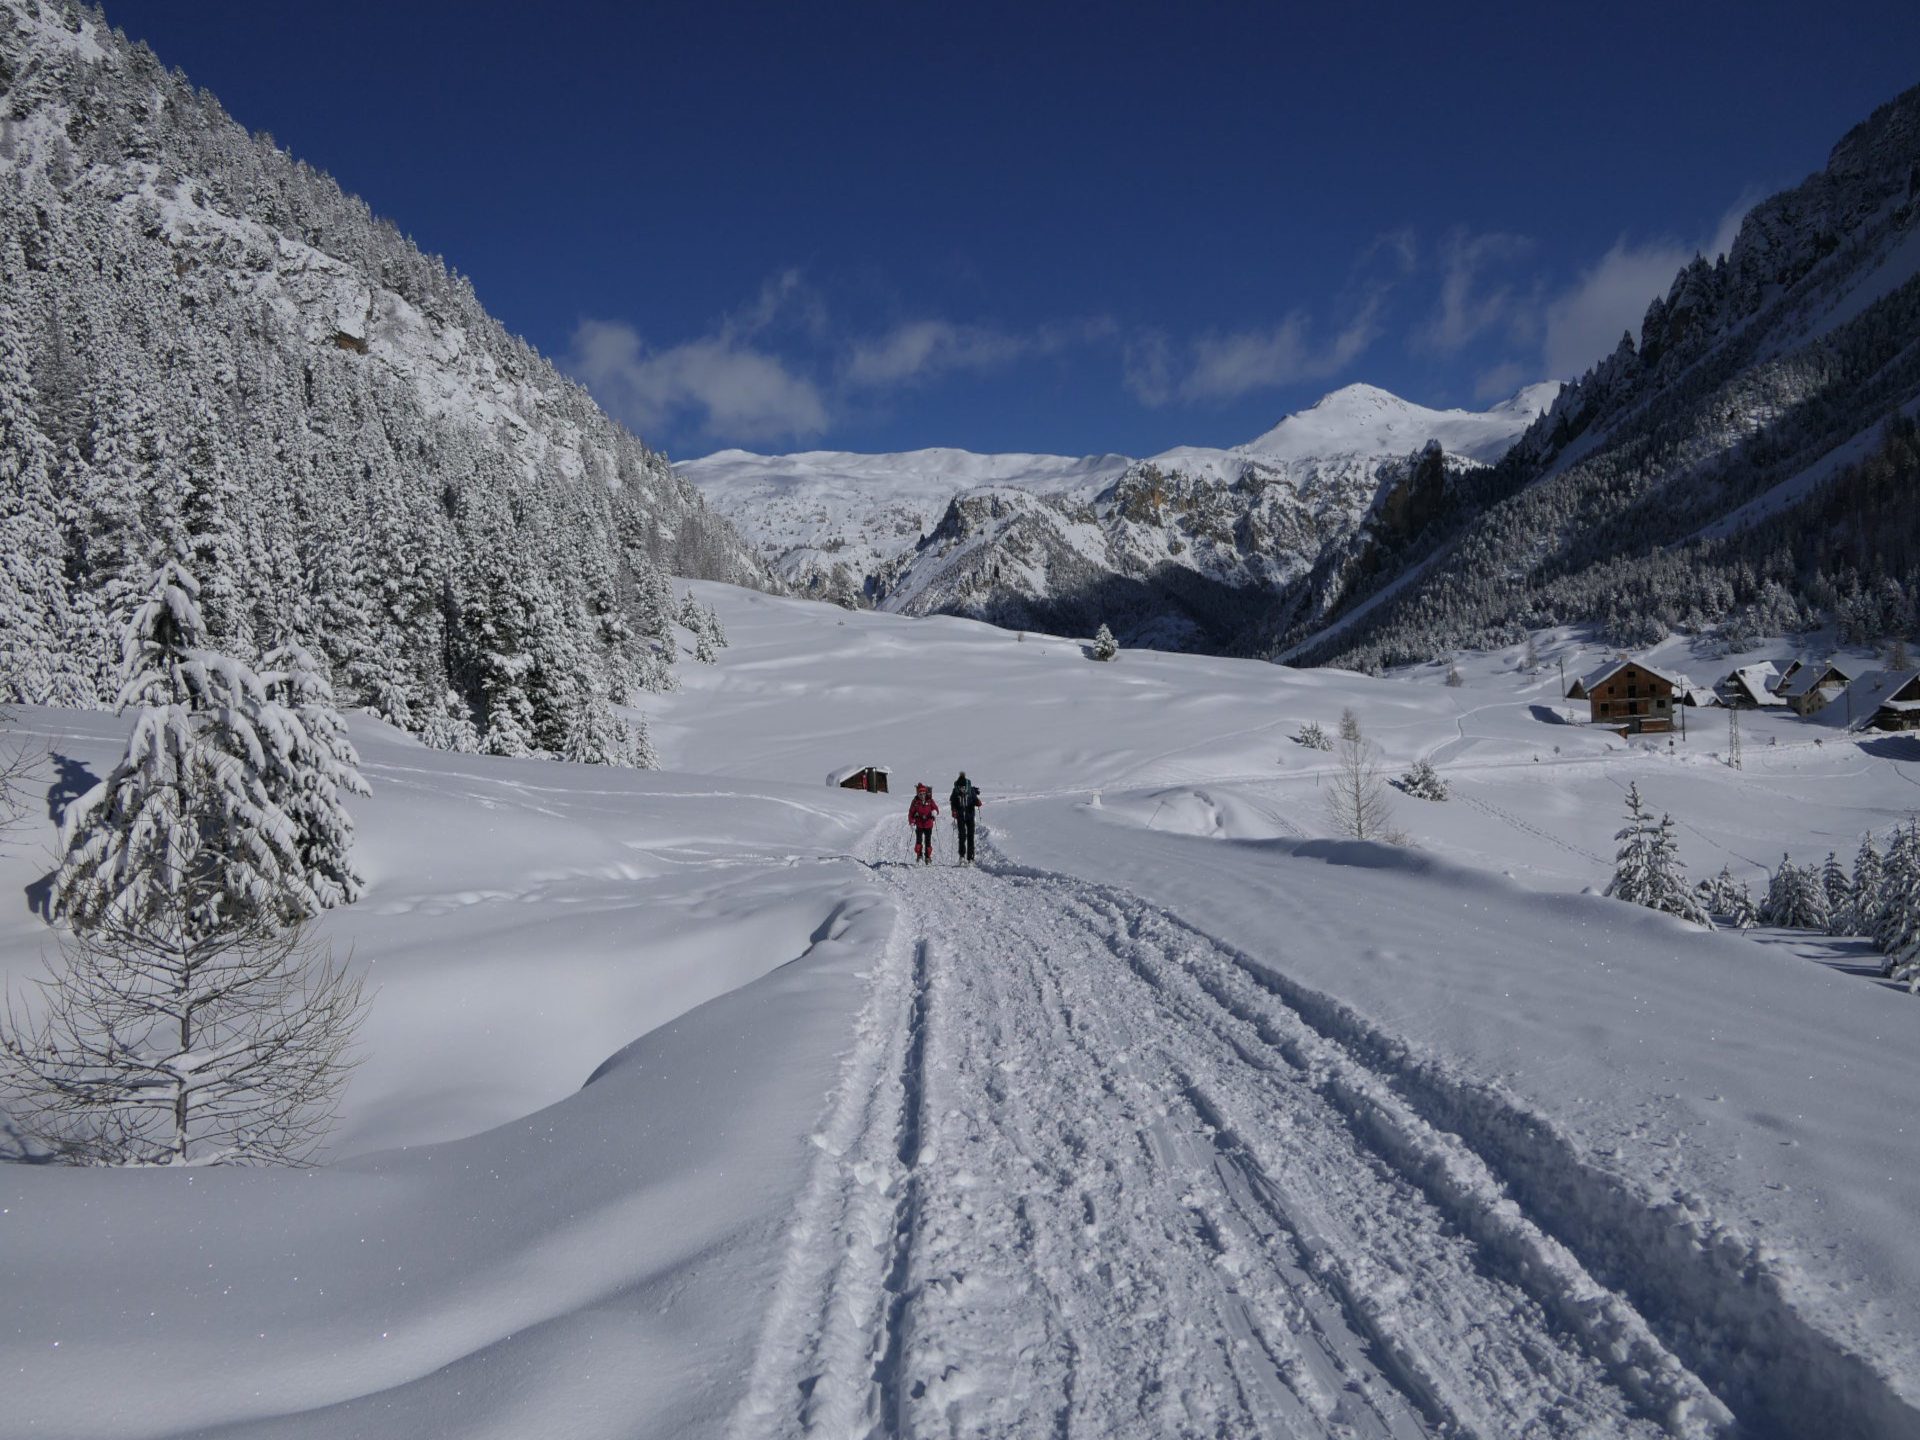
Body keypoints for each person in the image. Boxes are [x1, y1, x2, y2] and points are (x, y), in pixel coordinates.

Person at [949, 771, 982, 865]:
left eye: (963, 787)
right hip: (960, 817)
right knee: (962, 837)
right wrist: (954, 811)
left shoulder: (970, 791)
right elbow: (953, 802)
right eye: (960, 787)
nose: (962, 789)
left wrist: (977, 802)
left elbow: (975, 799)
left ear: (966, 786)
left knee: (970, 836)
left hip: (970, 816)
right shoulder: (955, 792)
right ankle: (962, 856)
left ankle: (970, 858)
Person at [907, 783, 939, 865]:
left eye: (923, 793)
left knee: (928, 841)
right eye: (920, 794)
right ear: (918, 794)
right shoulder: (915, 802)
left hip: (928, 824)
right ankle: (919, 856)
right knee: (919, 841)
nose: (922, 795)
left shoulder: (930, 800)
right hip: (919, 824)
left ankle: (928, 857)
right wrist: (912, 823)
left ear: (926, 793)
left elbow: (936, 808)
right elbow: (911, 813)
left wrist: (934, 812)